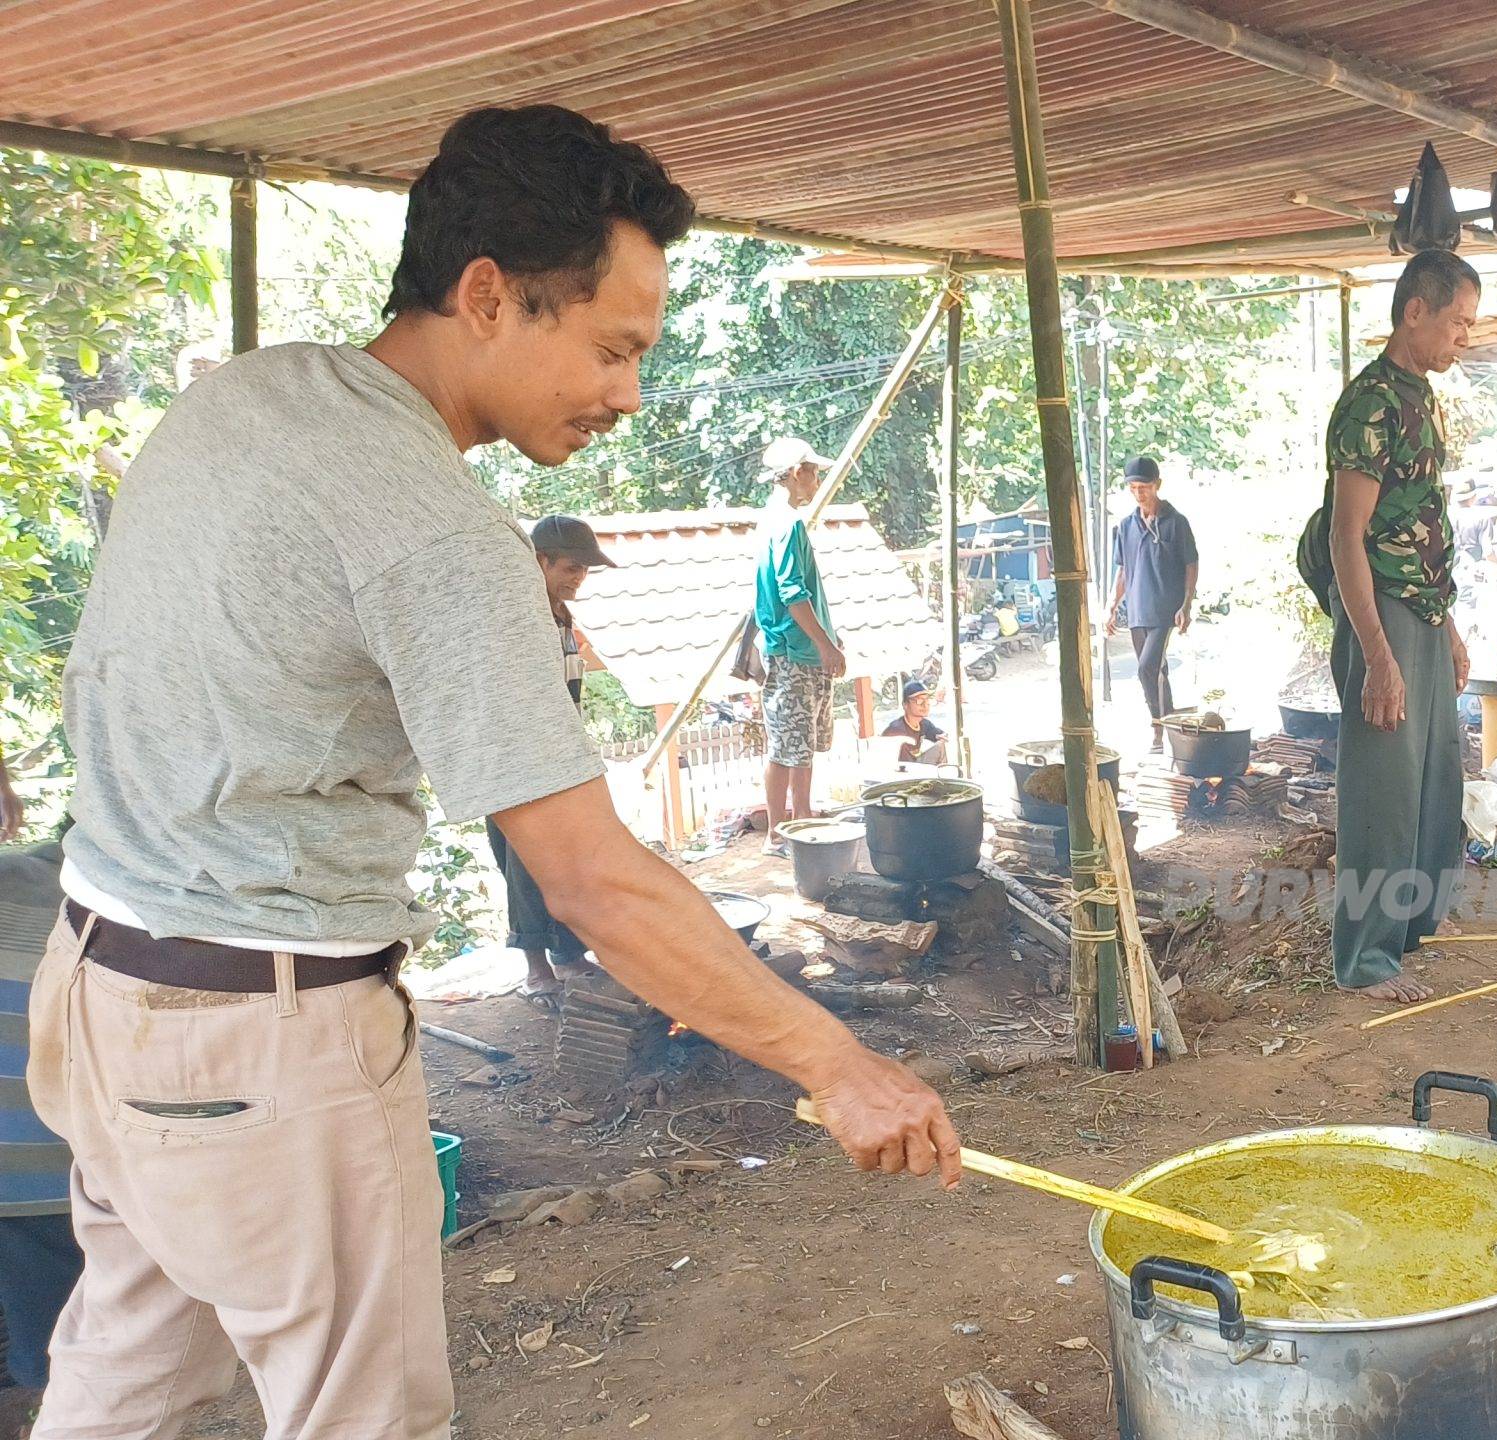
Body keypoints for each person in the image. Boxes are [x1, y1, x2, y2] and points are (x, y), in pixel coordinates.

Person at [34, 105, 958, 1440]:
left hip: (102, 988)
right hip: (263, 1037)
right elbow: (593, 880)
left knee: (127, 1388)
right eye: (610, 347)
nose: (628, 392)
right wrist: (839, 1064)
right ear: (486, 296)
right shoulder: (441, 534)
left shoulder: (248, 396)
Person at [1323, 249, 1479, 1005]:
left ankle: (1411, 927)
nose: (1464, 338)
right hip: (1379, 612)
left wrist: (1446, 625)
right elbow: (1346, 536)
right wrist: (1377, 657)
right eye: (1456, 322)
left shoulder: (1418, 395)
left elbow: (1420, 521)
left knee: (1434, 777)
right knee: (1383, 790)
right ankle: (1365, 956)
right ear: (1414, 310)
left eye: (1471, 326)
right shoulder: (1369, 405)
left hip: (1422, 606)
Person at [484, 514, 614, 1004]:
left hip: (554, 756)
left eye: (584, 569)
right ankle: (536, 969)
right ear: (539, 560)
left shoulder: (559, 615)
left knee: (561, 861)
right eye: (570, 566)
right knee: (523, 865)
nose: (578, 576)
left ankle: (568, 954)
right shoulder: (516, 616)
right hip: (514, 759)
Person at [1, 763, 75, 1440]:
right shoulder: (51, 889)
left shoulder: (48, 882)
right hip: (41, 1188)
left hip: (41, 1189)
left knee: (47, 1375)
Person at [755, 435, 848, 854]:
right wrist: (826, 646)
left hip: (791, 649)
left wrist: (828, 638)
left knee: (794, 744)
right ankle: (791, 829)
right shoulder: (787, 523)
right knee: (793, 746)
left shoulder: (773, 520)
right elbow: (793, 593)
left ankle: (789, 826)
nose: (815, 482)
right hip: (794, 652)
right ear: (797, 473)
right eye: (813, 474)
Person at [1103, 455, 1198, 743]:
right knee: (1157, 670)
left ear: (1157, 485)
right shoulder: (1127, 525)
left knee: (1146, 667)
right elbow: (1123, 571)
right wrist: (1111, 607)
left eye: (1143, 487)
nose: (1138, 493)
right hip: (1137, 610)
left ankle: (1157, 726)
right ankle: (1170, 727)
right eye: (1133, 488)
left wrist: (1186, 604)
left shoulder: (1176, 522)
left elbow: (1191, 564)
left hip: (1165, 610)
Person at [882, 680, 948, 765]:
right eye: (919, 701)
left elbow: (936, 733)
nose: (925, 705)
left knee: (941, 744)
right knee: (940, 747)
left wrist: (939, 736)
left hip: (913, 767)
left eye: (927, 701)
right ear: (905, 705)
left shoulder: (923, 724)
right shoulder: (896, 730)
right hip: (899, 771)